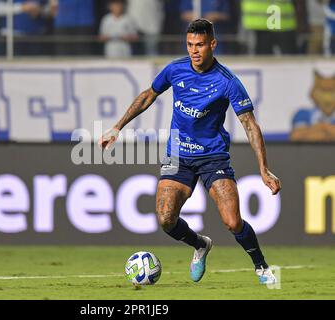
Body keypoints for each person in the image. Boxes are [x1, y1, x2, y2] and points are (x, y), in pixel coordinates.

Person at [99, 19, 281, 284]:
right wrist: (117, 127)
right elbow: (149, 95)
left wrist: (263, 170)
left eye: (200, 45)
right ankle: (200, 245)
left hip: (213, 156)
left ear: (212, 44)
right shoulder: (175, 69)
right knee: (165, 219)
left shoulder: (227, 81)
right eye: (190, 44)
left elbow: (250, 126)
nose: (194, 50)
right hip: (178, 154)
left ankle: (261, 267)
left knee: (232, 222)